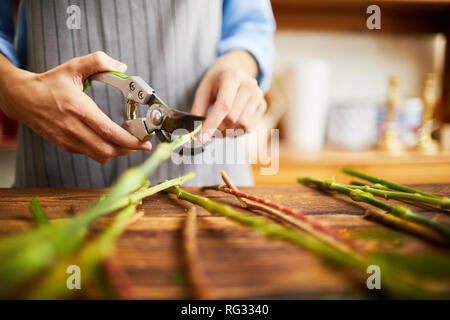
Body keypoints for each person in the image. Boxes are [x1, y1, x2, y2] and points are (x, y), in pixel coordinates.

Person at [0, 0, 275, 187]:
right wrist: (13, 90)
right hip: (57, 179)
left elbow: (251, 24)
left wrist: (238, 64)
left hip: (209, 174)